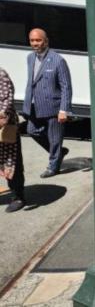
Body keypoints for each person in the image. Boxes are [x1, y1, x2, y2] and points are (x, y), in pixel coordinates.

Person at [22, 28, 71, 178]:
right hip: (35, 105)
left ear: (46, 41)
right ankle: (59, 153)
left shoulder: (58, 60)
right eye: (32, 40)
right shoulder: (30, 57)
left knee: (55, 138)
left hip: (54, 106)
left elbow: (66, 86)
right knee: (31, 130)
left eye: (38, 40)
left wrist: (64, 109)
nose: (35, 43)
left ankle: (53, 166)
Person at [0, 68, 26, 212]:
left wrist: (1, 118)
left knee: (11, 162)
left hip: (4, 128)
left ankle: (18, 196)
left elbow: (6, 102)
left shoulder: (1, 75)